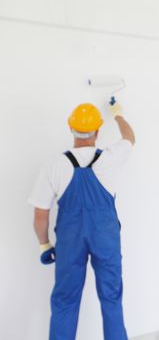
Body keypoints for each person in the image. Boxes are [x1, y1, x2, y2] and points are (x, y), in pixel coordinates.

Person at [29, 101, 135, 340]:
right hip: (105, 237)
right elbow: (130, 137)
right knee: (111, 298)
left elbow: (40, 215)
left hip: (70, 239)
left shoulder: (54, 166)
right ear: (98, 131)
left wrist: (44, 244)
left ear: (71, 128)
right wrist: (118, 115)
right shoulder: (111, 158)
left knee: (65, 301)